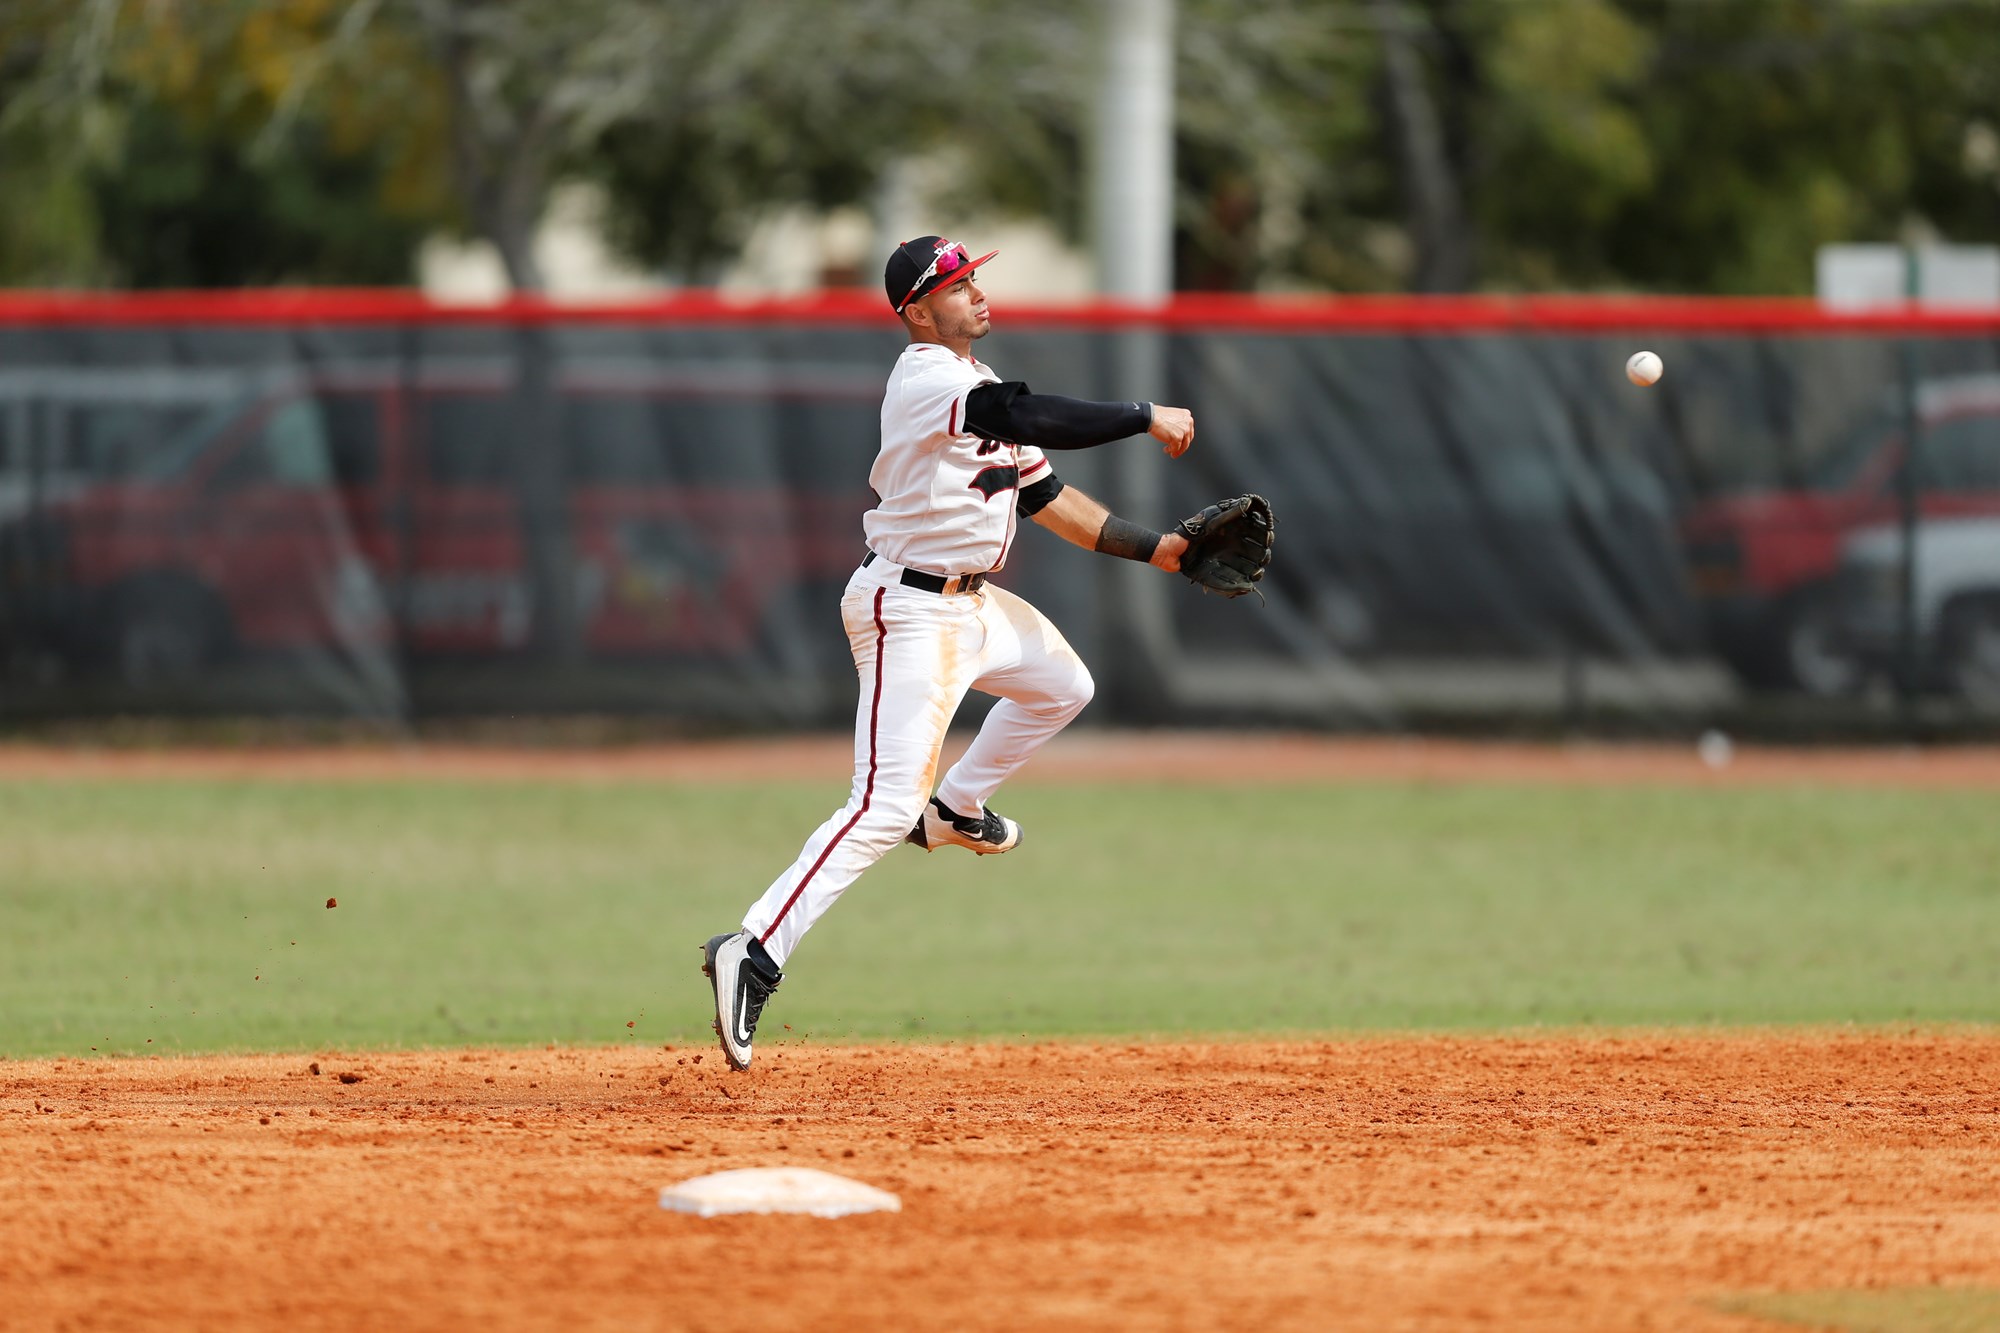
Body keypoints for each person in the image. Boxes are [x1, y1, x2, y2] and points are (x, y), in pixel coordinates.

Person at [702, 235, 1197, 1070]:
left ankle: (959, 810)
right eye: (956, 285)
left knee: (1062, 684)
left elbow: (1050, 499)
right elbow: (1028, 414)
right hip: (911, 607)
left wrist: (1165, 552)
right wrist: (1143, 416)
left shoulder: (974, 388)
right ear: (918, 312)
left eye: (975, 280)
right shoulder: (930, 379)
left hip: (971, 605)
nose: (976, 294)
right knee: (884, 803)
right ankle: (752, 948)